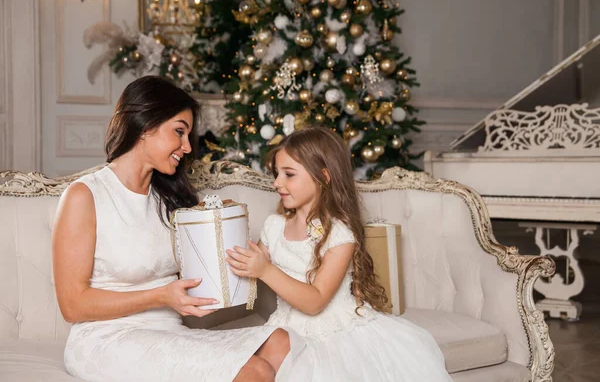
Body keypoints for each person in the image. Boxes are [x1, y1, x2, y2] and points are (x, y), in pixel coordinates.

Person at [52, 76, 293, 382]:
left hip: (168, 333)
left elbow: (213, 259)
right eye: (179, 131)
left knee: (282, 343)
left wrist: (226, 222)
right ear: (145, 125)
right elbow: (72, 305)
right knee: (254, 372)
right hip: (107, 338)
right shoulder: (85, 195)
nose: (187, 146)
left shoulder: (170, 197)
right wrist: (160, 297)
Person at [226, 126, 452, 381]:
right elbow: (250, 271)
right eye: (276, 173)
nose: (277, 182)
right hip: (286, 325)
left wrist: (265, 269)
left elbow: (315, 301)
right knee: (250, 368)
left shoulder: (338, 234)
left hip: (334, 331)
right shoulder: (273, 225)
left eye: (288, 174)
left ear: (323, 177)